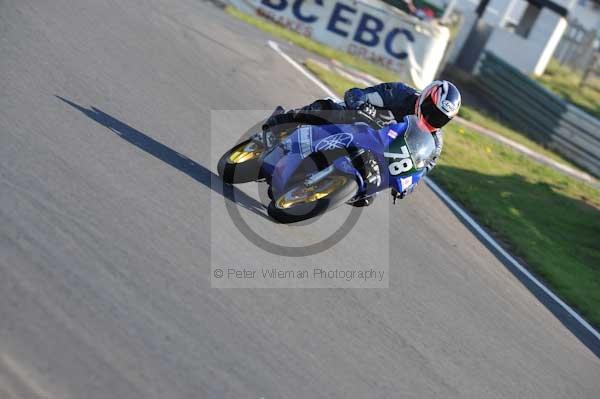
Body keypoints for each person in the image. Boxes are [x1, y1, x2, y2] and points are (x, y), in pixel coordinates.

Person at [262, 80, 462, 206]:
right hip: (358, 126)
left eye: (440, 118)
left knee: (365, 199)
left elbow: (421, 169)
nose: (432, 117)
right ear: (425, 97)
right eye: (431, 109)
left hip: (377, 156)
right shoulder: (400, 94)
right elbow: (359, 93)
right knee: (328, 108)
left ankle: (315, 189)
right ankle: (282, 122)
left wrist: (406, 186)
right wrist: (361, 103)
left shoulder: (434, 143)